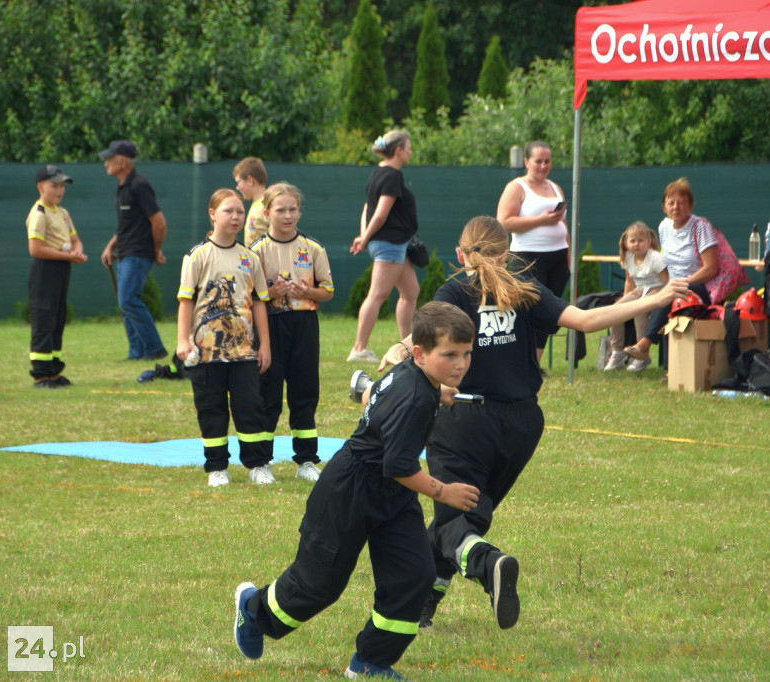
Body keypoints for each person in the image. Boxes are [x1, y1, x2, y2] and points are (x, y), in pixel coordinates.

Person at [376, 216, 688, 630]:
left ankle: (490, 566)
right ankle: (423, 606)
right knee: (469, 515)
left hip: (466, 417)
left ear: (459, 255)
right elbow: (586, 320)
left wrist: (398, 351)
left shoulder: (453, 291)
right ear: (507, 253)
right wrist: (656, 298)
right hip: (523, 424)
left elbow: (430, 341)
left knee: (454, 520)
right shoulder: (525, 287)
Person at [233, 301, 480, 680]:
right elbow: (398, 465)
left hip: (392, 498)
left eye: (466, 353)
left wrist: (440, 391)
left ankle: (370, 663)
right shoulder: (415, 395)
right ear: (419, 353)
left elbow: (377, 396)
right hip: (348, 492)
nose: (461, 364)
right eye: (450, 355)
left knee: (414, 577)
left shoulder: (416, 377)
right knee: (319, 586)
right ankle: (253, 609)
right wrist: (444, 492)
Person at [176, 189, 274, 487]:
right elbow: (186, 302)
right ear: (212, 214)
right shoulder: (196, 256)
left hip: (243, 352)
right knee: (211, 408)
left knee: (250, 407)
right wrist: (183, 341)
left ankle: (257, 464)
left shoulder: (250, 258)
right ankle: (217, 467)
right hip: (206, 353)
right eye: (228, 211)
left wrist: (265, 345)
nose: (235, 217)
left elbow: (259, 302)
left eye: (240, 212)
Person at [250, 183, 334, 483]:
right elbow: (249, 296)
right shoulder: (256, 251)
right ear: (267, 213)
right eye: (280, 210)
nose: (287, 216)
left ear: (300, 211)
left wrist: (307, 290)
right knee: (267, 394)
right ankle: (260, 462)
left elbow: (327, 292)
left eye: (292, 209)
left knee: (305, 392)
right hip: (270, 325)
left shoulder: (313, 248)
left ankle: (307, 460)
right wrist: (270, 292)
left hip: (304, 325)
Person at [623, 178, 717, 369]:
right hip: (673, 286)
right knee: (664, 295)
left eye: (681, 202)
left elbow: (710, 268)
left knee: (670, 293)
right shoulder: (664, 227)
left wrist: (681, 282)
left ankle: (644, 344)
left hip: (701, 288)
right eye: (671, 202)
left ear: (690, 205)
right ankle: (669, 367)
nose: (676, 207)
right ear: (664, 207)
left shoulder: (701, 226)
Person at [347, 130, 420, 363]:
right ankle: (359, 349)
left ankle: (407, 344)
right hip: (390, 243)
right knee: (378, 295)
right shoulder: (392, 176)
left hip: (395, 244)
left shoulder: (378, 173)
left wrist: (363, 235)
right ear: (398, 150)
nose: (410, 151)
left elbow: (366, 210)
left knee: (410, 293)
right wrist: (366, 237)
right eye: (408, 147)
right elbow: (379, 214)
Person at [496, 141, 569, 366]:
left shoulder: (556, 187)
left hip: (557, 257)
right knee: (527, 309)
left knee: (549, 312)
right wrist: (541, 220)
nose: (543, 165)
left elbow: (564, 225)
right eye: (538, 161)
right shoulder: (517, 187)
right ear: (527, 162)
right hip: (527, 258)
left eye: (547, 161)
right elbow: (504, 222)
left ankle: (535, 364)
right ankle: (520, 361)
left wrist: (568, 258)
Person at [99, 140, 168, 361]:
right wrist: (111, 246)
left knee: (128, 299)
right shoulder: (122, 189)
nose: (105, 163)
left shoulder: (139, 185)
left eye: (110, 159)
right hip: (125, 253)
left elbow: (159, 222)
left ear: (122, 161)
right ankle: (136, 352)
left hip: (138, 253)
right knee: (125, 301)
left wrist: (156, 250)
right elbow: (126, 226)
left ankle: (154, 348)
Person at [26, 164, 88, 388]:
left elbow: (74, 239)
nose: (59, 190)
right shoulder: (39, 213)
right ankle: (40, 375)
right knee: (43, 320)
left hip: (62, 269)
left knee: (57, 319)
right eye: (54, 186)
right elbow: (35, 249)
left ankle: (53, 371)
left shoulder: (63, 213)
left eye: (62, 186)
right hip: (45, 271)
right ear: (40, 187)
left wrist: (77, 251)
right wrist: (68, 257)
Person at [604, 221, 669, 372]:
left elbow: (667, 282)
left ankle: (642, 356)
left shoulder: (655, 258)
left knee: (639, 311)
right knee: (615, 309)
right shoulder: (628, 257)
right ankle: (617, 351)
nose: (636, 244)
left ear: (649, 241)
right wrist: (625, 303)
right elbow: (630, 280)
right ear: (626, 243)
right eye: (632, 241)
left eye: (641, 240)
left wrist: (664, 298)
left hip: (657, 289)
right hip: (640, 289)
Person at [233, 156, 269, 247]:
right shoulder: (256, 204)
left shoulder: (269, 205)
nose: (237, 188)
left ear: (250, 180)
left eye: (238, 182)